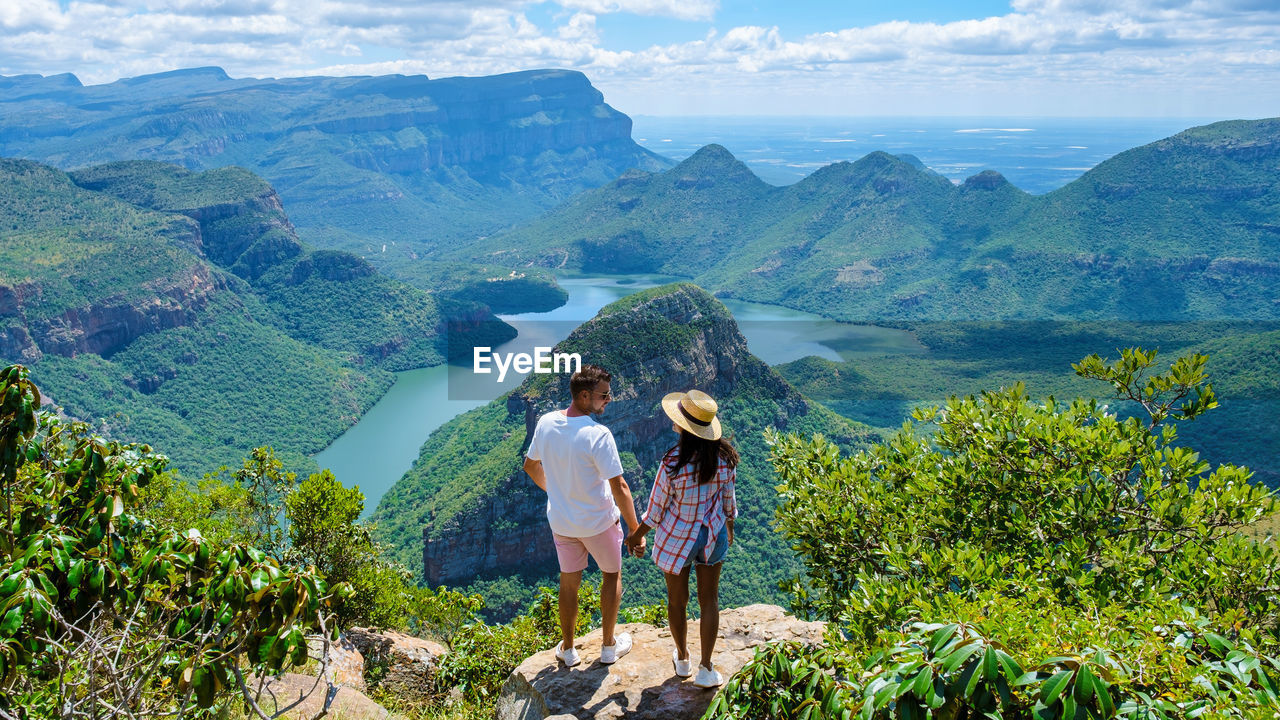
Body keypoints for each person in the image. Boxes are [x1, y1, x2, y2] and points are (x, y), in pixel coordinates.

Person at [523, 364, 644, 668]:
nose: (609, 400)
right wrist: (634, 529)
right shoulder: (597, 434)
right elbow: (620, 486)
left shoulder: (547, 422)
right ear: (585, 395)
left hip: (562, 523)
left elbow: (530, 465)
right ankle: (607, 647)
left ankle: (568, 649)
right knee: (611, 576)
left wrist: (556, 492)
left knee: (569, 582)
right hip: (598, 522)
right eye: (604, 395)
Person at [624, 389, 738, 689]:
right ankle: (706, 667)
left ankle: (684, 659)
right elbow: (729, 506)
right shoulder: (725, 459)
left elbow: (655, 512)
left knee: (677, 601)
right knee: (709, 600)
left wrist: (636, 536)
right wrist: (729, 529)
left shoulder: (673, 463)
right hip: (712, 537)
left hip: (677, 539)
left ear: (683, 427)